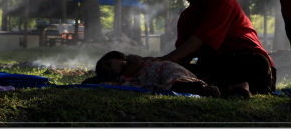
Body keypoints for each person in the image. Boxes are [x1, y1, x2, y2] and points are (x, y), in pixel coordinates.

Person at [154, 0, 275, 98]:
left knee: (256, 63)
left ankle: (210, 85)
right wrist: (157, 66)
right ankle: (225, 87)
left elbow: (201, 38)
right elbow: (183, 57)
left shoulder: (222, 0)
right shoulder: (186, 17)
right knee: (176, 71)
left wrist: (168, 59)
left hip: (245, 62)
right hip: (214, 65)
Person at [91, 51, 220, 96]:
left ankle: (205, 87)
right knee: (174, 88)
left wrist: (120, 78)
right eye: (106, 71)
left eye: (109, 64)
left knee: (175, 85)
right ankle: (227, 88)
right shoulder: (124, 78)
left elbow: (138, 64)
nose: (109, 69)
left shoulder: (130, 59)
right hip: (161, 79)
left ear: (120, 57)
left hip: (166, 70)